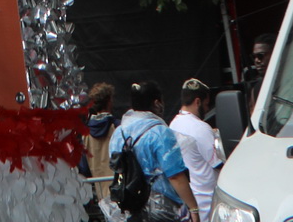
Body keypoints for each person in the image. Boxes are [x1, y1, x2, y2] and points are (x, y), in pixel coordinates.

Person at [109, 79, 202, 222]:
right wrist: (193, 208)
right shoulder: (160, 133)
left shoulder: (119, 133)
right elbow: (175, 176)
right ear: (157, 103)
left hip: (129, 206)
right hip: (161, 208)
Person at [170, 78, 222, 222]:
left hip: (190, 203)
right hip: (208, 204)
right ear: (197, 102)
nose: (206, 109)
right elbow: (219, 164)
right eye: (206, 105)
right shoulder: (200, 127)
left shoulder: (174, 124)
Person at [82, 79, 117, 206]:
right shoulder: (118, 127)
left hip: (100, 193)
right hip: (119, 191)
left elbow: (84, 167)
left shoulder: (85, 133)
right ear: (108, 102)